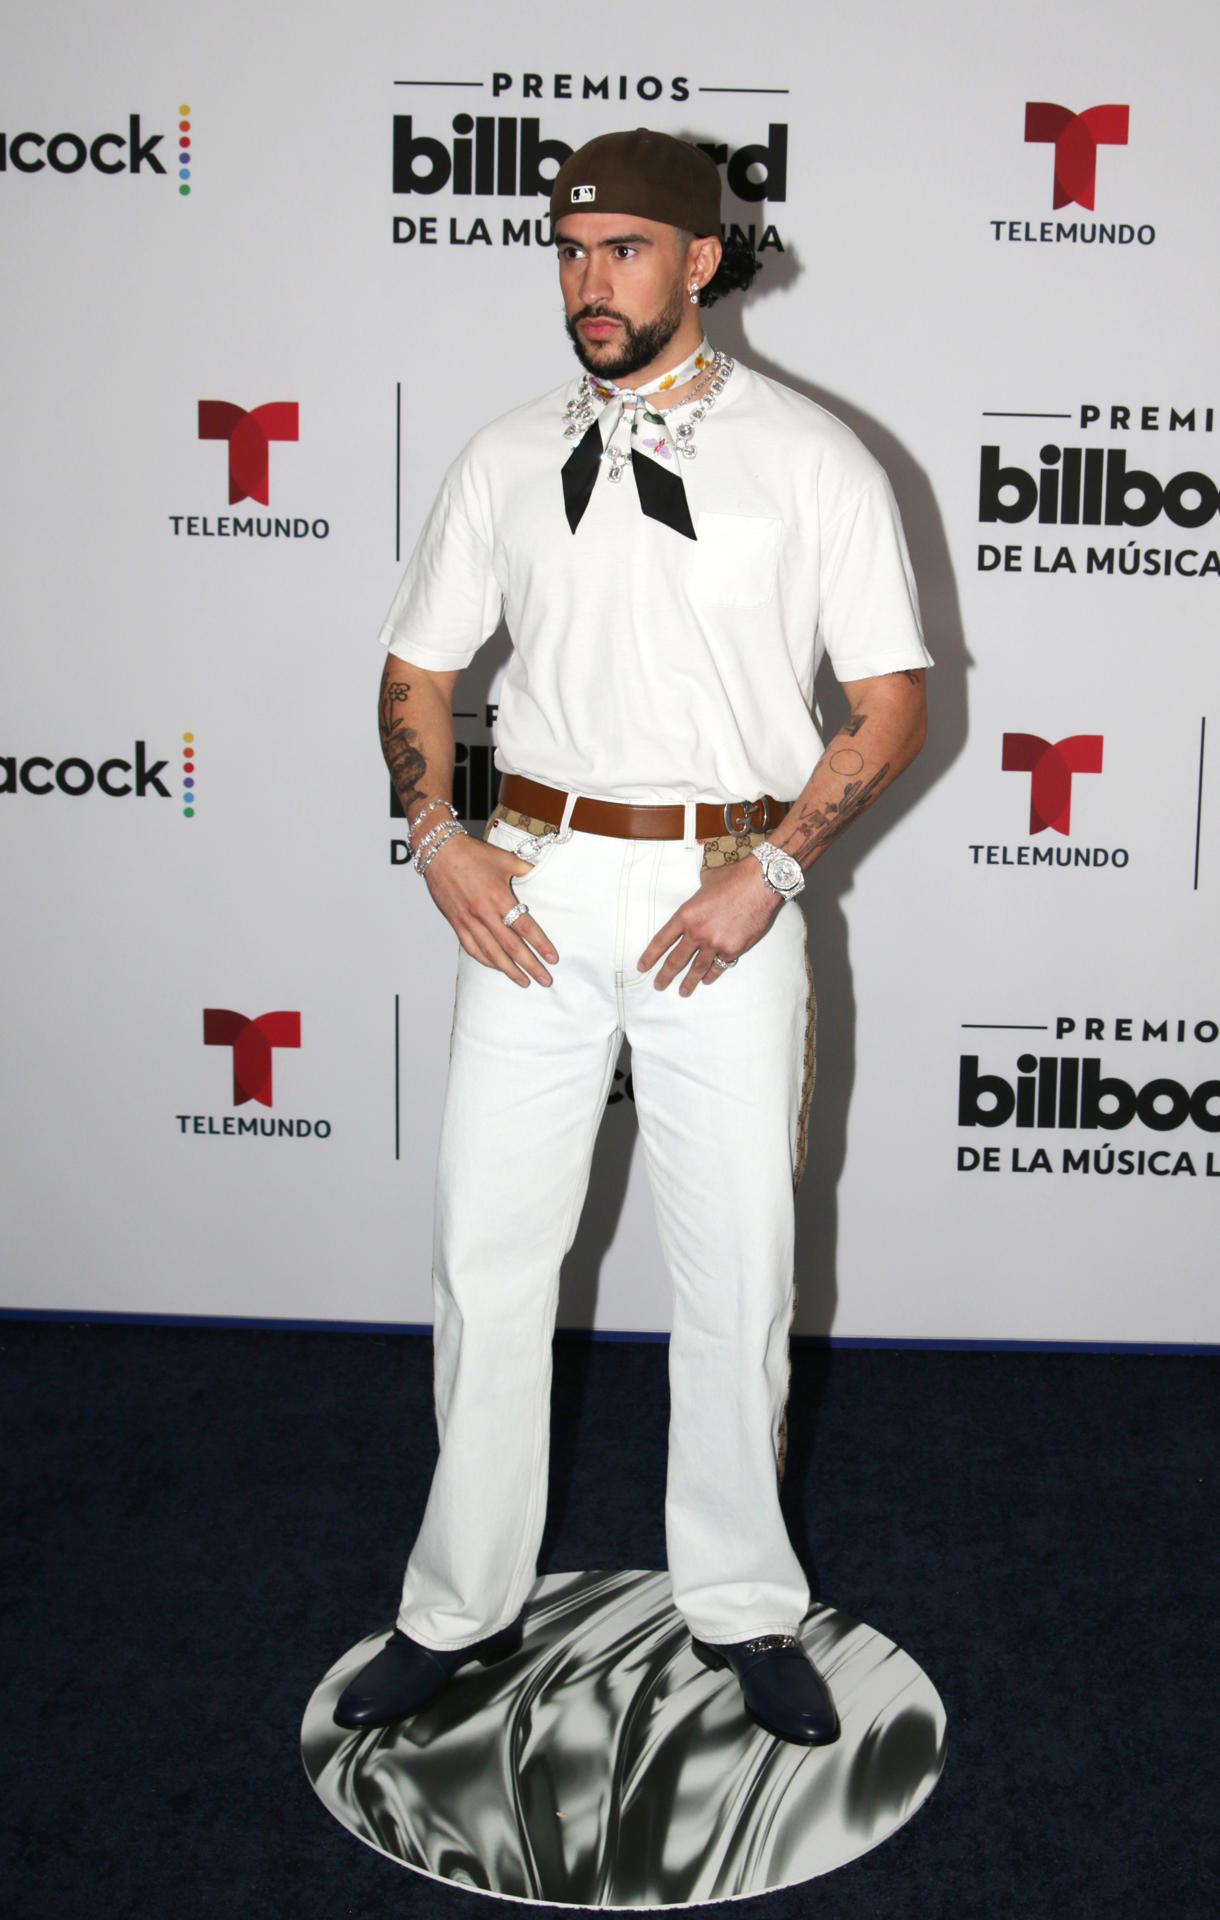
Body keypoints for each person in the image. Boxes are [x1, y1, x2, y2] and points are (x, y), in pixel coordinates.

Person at [336, 127, 930, 1745]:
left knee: (736, 1269)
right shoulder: (506, 452)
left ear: (703, 263)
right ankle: (456, 1605)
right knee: (486, 1260)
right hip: (528, 891)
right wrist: (435, 834)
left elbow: (888, 705)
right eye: (570, 250)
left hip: (724, 903)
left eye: (624, 252)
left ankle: (741, 1604)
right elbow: (415, 673)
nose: (588, 282)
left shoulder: (816, 460)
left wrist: (776, 874)